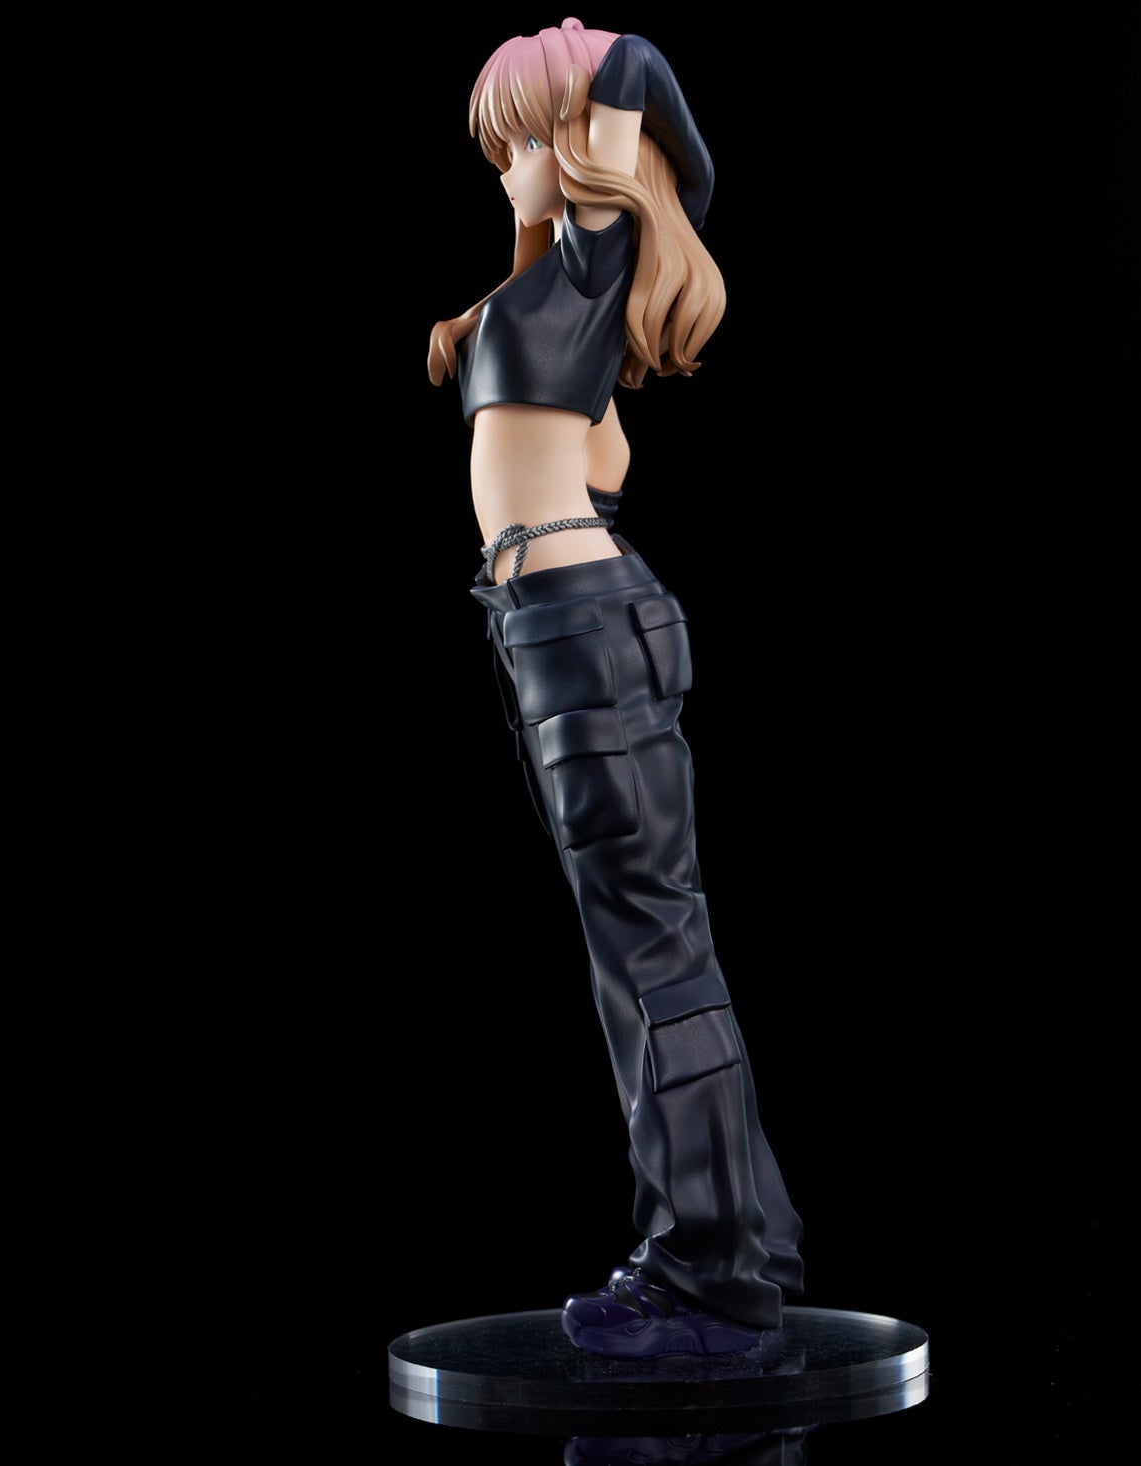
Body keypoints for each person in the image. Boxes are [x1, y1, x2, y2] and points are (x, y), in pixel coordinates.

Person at [427, 17, 804, 1360]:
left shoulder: (590, 265)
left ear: (584, 146)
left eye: (523, 141)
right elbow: (596, 462)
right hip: (560, 624)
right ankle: (737, 1244)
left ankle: (707, 1278)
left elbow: (637, 78)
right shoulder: (546, 299)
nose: (509, 168)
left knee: (651, 955)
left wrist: (591, 76)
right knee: (645, 952)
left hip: (580, 630)